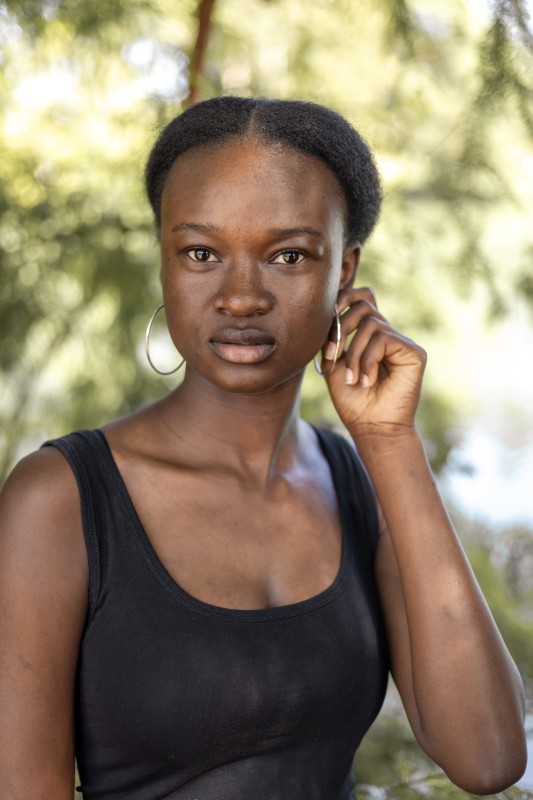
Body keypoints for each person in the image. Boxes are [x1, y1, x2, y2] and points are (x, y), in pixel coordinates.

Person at [0, 96, 527, 800]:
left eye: (288, 255)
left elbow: (488, 758)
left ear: (343, 272)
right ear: (164, 262)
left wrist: (388, 441)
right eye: (201, 253)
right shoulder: (59, 501)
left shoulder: (355, 482)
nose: (241, 297)